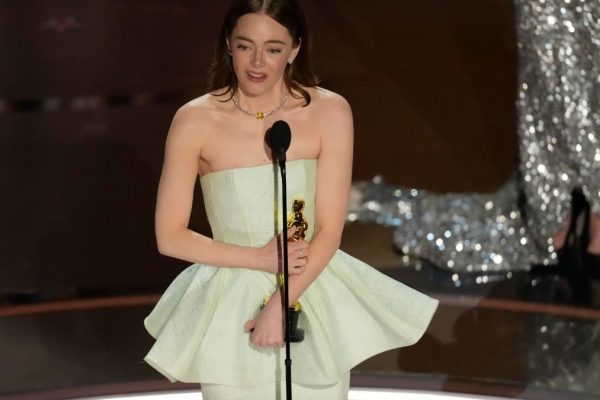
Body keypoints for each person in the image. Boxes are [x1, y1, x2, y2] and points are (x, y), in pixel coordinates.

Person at [143, 1, 438, 399]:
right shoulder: (195, 120)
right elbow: (170, 236)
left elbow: (329, 229)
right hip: (230, 302)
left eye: (273, 48)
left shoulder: (329, 111)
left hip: (310, 287)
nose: (257, 62)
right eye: (245, 46)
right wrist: (261, 259)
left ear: (295, 49)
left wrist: (281, 304)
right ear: (228, 44)